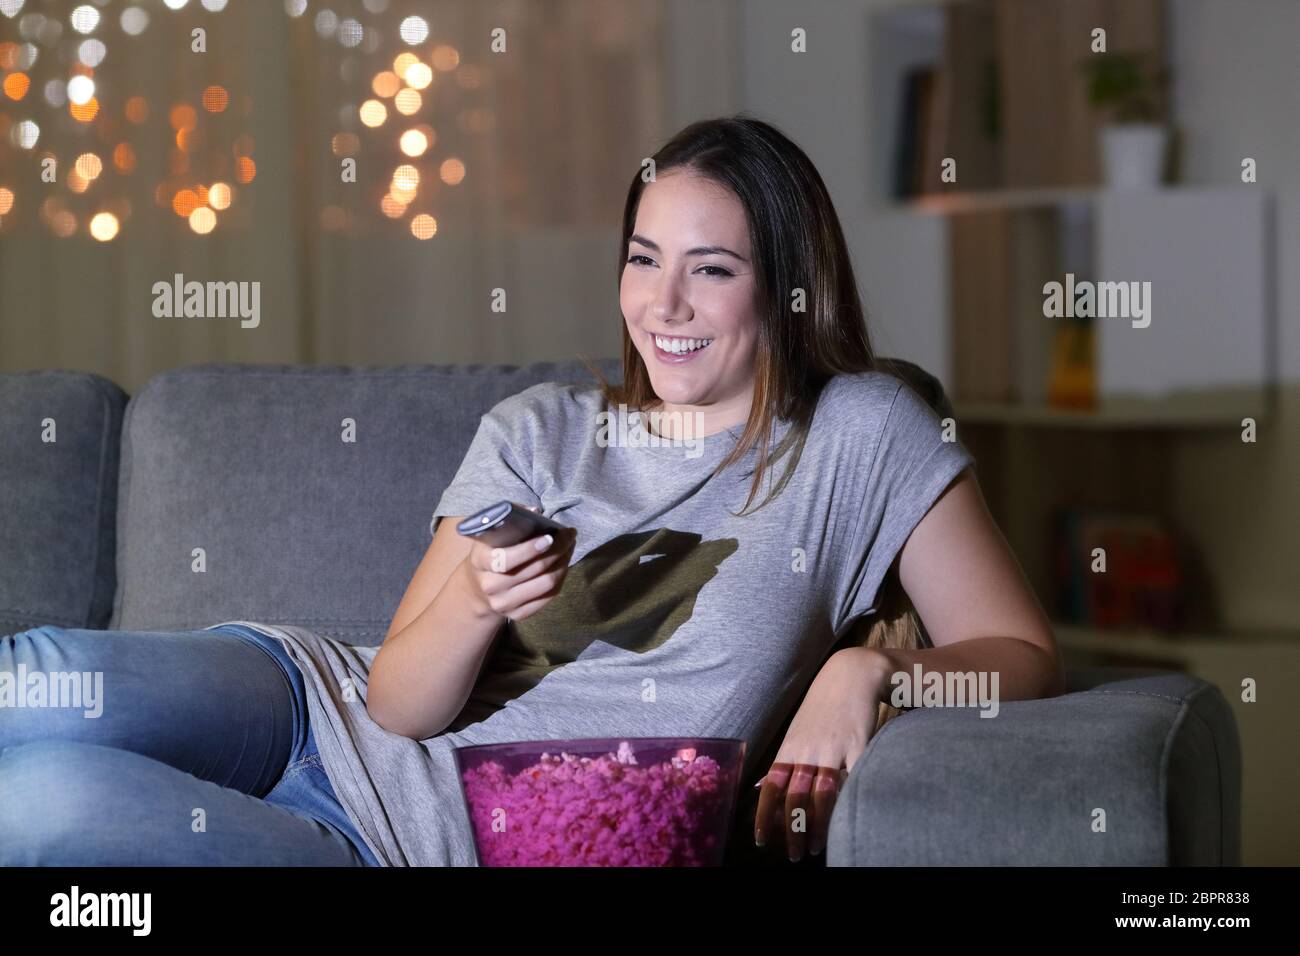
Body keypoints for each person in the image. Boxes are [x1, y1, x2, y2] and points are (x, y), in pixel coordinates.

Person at [0, 114, 1063, 866]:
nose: (665, 302)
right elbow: (397, 701)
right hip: (302, 704)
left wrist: (859, 680)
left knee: (45, 805)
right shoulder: (539, 426)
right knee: (44, 680)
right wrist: (474, 599)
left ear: (787, 287)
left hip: (400, 843)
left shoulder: (859, 434)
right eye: (644, 260)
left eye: (712, 268)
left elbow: (1023, 654)